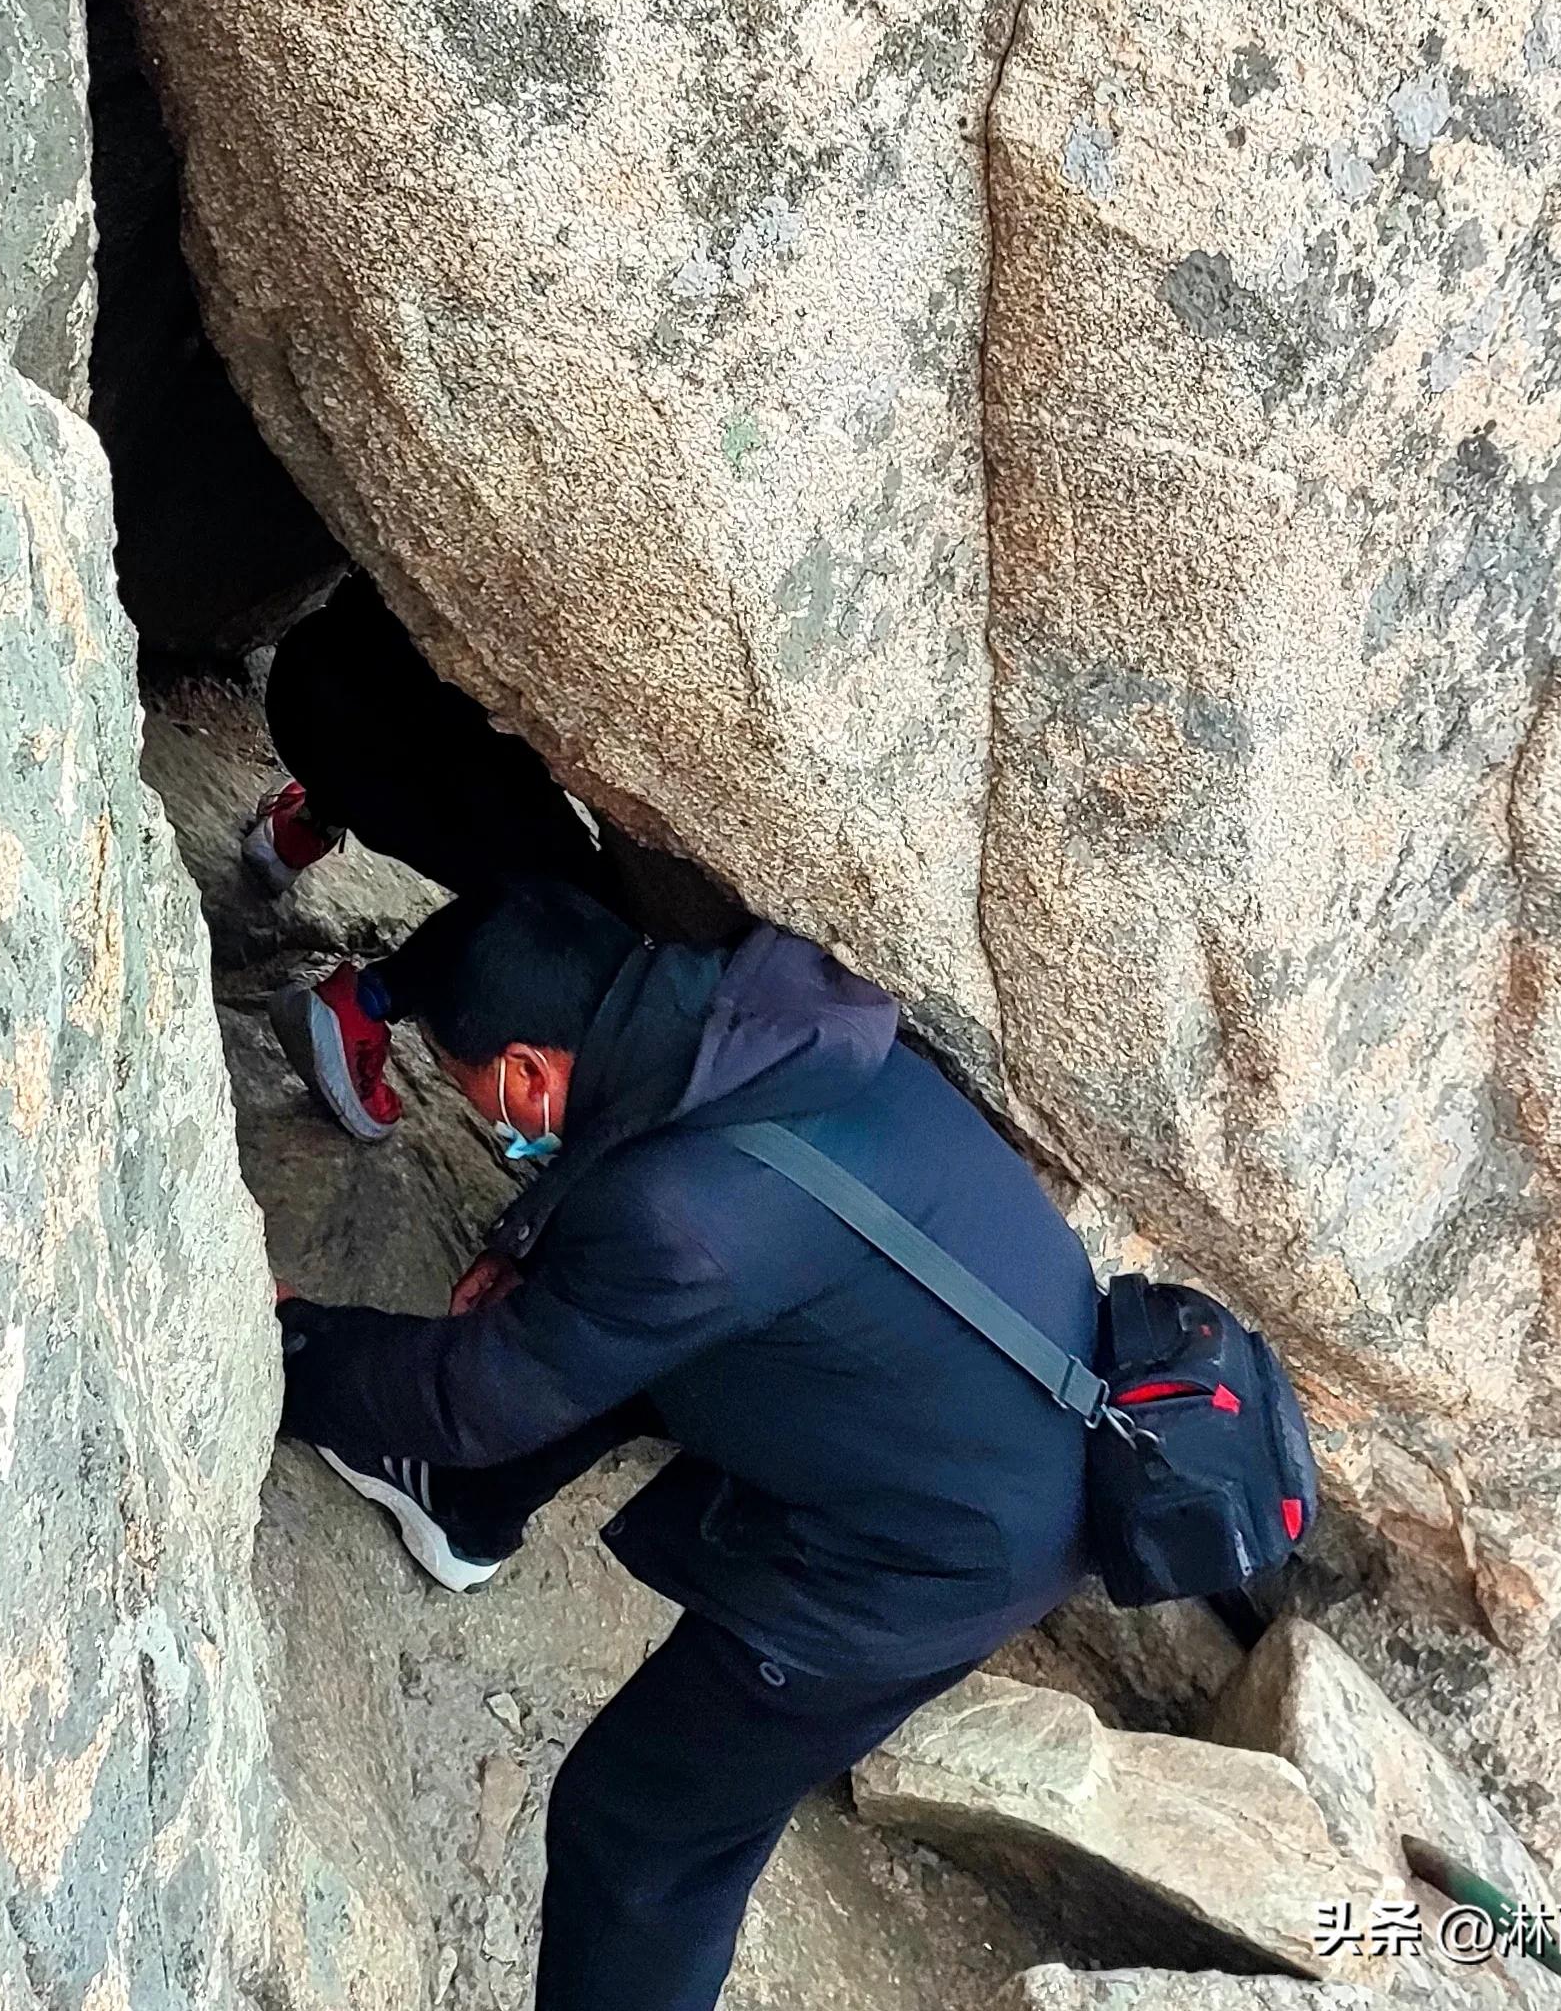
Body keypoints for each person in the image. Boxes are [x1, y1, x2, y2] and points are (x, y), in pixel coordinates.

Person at [247, 585, 1098, 2011]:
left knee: (643, 1836)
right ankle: (461, 1517)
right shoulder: (765, 1036)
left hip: (934, 1560)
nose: (492, 1121)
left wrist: (284, 1342)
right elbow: (681, 1217)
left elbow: (481, 1388)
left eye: (476, 1098)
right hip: (997, 1400)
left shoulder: (684, 1219)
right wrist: (539, 1243)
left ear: (523, 1078)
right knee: (618, 1328)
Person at [243, 571, 746, 1137]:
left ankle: (311, 817)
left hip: (317, 670)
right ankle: (366, 1003)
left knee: (483, 729)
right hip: (360, 725)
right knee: (569, 899)